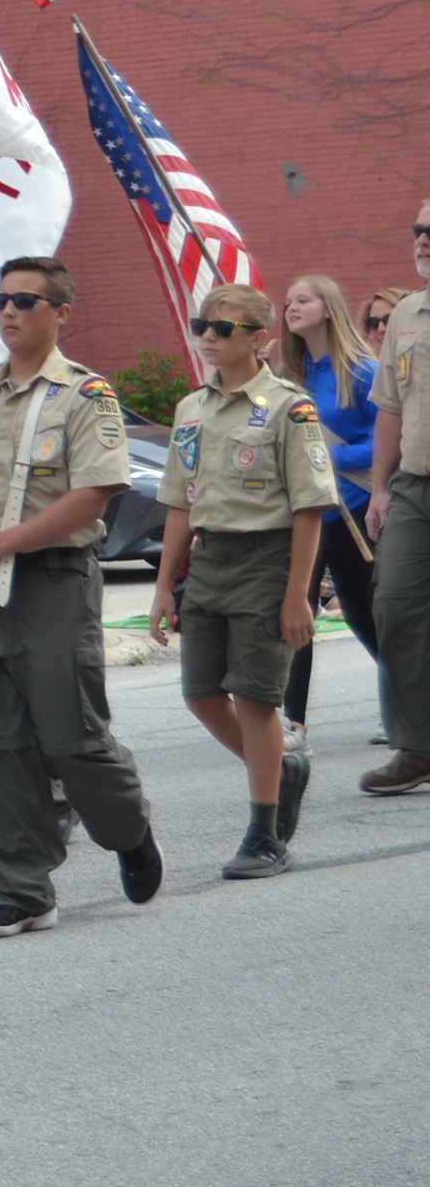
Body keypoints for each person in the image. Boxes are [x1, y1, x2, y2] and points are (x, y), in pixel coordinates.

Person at [0, 256, 162, 938]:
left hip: (54, 578)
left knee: (71, 736)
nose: (9, 311)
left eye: (25, 300)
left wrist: (3, 541)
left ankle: (127, 828)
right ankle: (20, 887)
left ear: (60, 313)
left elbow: (94, 495)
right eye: (1, 300)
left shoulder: (85, 395)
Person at [148, 286, 332, 878]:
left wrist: (298, 594)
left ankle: (264, 834)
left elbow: (309, 507)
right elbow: (180, 502)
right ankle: (282, 768)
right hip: (210, 561)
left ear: (259, 339)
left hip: (267, 558)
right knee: (201, 693)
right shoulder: (190, 408)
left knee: (255, 698)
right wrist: (162, 586)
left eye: (223, 328)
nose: (208, 336)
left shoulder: (288, 407)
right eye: (202, 325)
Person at [273, 274, 384, 751]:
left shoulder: (362, 370)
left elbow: (389, 438)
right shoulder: (289, 377)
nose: (291, 308)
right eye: (287, 302)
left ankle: (411, 700)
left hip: (354, 511)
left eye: (303, 299)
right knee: (295, 609)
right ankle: (293, 723)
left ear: (328, 307)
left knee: (364, 616)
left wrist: (329, 457)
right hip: (308, 513)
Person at [361, 201, 430, 795]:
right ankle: (418, 745)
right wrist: (380, 488)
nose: (423, 239)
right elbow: (390, 406)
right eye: (418, 230)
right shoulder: (407, 311)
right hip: (414, 486)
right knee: (396, 605)